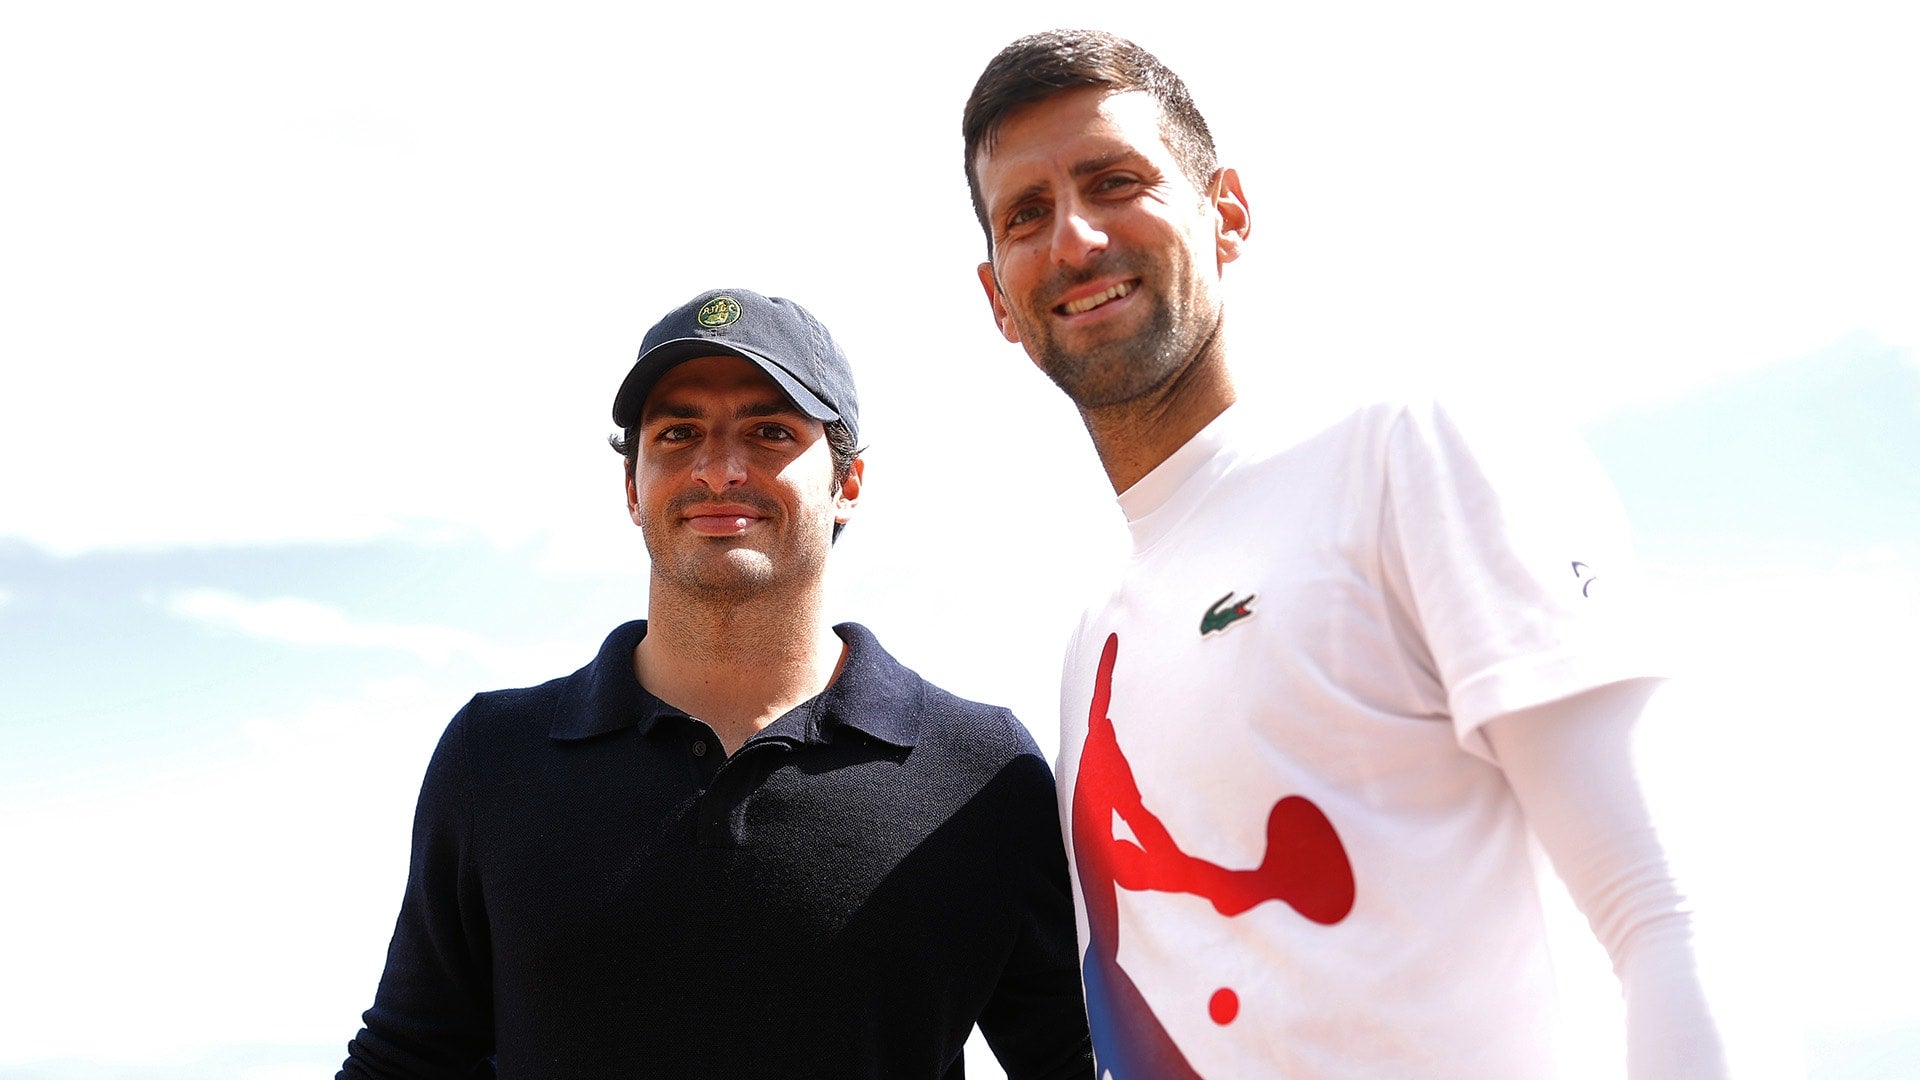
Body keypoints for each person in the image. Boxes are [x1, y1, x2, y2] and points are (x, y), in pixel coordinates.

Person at [961, 30, 1729, 1079]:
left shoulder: (1410, 451)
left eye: (1115, 181)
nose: (1076, 239)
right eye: (1026, 214)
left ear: (1227, 212)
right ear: (998, 299)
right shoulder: (1092, 643)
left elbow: (1669, 911)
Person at [339, 287, 1094, 1079]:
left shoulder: (980, 770)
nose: (719, 470)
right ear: (633, 488)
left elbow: (1080, 1059)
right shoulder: (494, 756)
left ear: (848, 484)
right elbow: (408, 1060)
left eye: (770, 432)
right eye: (678, 433)